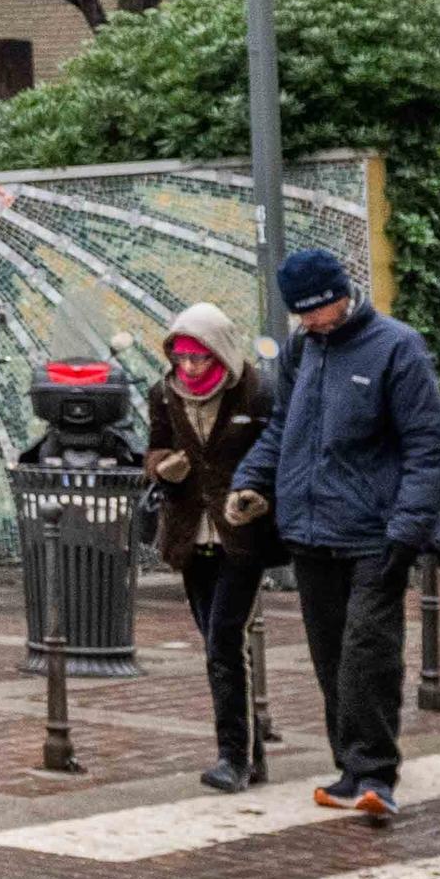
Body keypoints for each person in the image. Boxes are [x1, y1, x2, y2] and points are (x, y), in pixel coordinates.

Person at [228, 245, 440, 824]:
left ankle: (376, 773)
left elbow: (432, 448)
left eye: (322, 310)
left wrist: (405, 531)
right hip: (311, 531)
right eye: (303, 313)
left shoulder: (396, 347)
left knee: (367, 654)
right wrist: (250, 481)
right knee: (330, 656)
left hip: (376, 534)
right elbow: (285, 426)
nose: (313, 321)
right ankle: (350, 769)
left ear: (344, 295)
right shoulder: (303, 349)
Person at [143, 302, 277, 794]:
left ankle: (232, 758)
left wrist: (259, 495)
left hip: (242, 533)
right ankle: (252, 752)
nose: (190, 368)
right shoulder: (163, 394)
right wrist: (162, 467)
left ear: (220, 351)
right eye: (182, 358)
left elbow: (275, 449)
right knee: (218, 642)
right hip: (188, 533)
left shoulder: (256, 390)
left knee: (223, 639)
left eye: (199, 358)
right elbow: (152, 449)